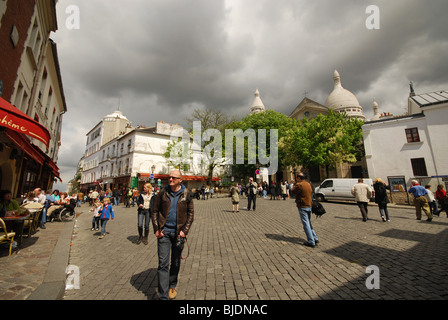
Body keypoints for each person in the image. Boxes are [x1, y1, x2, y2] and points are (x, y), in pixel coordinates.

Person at [151, 170, 194, 300]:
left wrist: (184, 231)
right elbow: (154, 211)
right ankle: (163, 296)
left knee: (175, 261)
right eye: (169, 177)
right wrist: (157, 229)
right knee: (163, 264)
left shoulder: (187, 194)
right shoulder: (162, 193)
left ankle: (172, 285)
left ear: (180, 179)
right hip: (164, 233)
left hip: (178, 234)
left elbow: (191, 214)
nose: (170, 179)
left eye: (173, 177)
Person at [291, 173, 318, 248]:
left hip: (302, 205)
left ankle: (311, 241)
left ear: (299, 178)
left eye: (296, 178)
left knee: (306, 224)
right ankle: (315, 238)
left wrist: (295, 184)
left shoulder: (299, 184)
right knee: (308, 223)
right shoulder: (308, 184)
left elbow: (292, 191)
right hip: (309, 205)